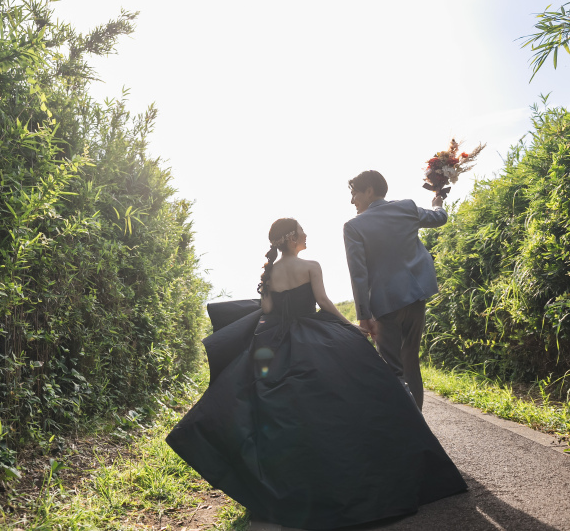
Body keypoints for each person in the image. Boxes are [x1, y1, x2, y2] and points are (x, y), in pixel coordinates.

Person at [166, 218, 466, 530]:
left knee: (285, 410)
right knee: (353, 391)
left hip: (278, 338)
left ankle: (295, 483)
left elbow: (266, 309)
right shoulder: (311, 265)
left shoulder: (269, 273)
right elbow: (322, 302)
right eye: (303, 230)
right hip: (315, 332)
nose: (307, 234)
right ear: (293, 236)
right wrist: (349, 325)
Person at [344, 170, 447, 411]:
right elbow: (439, 218)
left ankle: (404, 430)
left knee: (392, 371)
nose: (352, 200)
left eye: (354, 193)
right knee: (411, 362)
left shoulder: (353, 226)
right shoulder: (407, 208)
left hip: (385, 304)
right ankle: (418, 424)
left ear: (369, 190)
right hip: (416, 298)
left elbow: (358, 273)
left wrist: (363, 314)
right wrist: (438, 202)